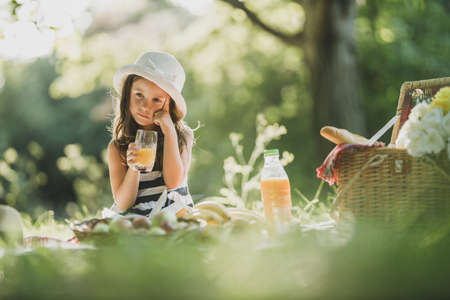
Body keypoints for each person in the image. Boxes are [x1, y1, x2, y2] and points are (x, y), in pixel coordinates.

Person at [107, 51, 194, 218]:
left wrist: (169, 131)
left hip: (174, 216)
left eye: (157, 100)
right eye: (139, 95)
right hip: (136, 220)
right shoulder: (117, 148)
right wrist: (133, 168)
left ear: (170, 104)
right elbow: (123, 204)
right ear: (127, 94)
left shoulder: (182, 137)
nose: (145, 107)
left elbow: (173, 182)